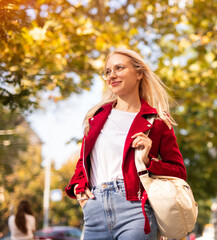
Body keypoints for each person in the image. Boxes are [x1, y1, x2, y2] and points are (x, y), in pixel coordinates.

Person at [65, 48, 186, 240]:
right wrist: (80, 191)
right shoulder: (95, 117)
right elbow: (83, 163)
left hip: (136, 211)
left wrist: (148, 161)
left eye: (119, 68)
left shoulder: (158, 120)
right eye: (107, 71)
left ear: (139, 73)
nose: (112, 75)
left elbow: (178, 171)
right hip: (94, 211)